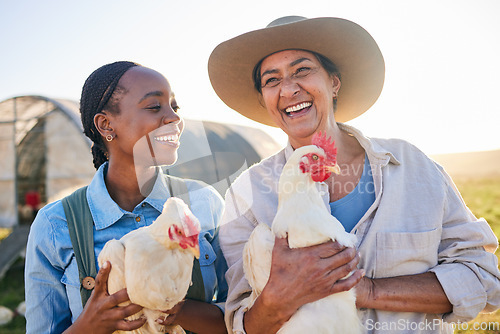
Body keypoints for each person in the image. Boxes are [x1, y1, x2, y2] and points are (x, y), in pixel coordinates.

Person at [207, 16, 500, 334]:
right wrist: (276, 300)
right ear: (264, 99)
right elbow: (239, 325)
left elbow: (484, 279)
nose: (289, 89)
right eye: (271, 80)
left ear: (334, 82)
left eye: (302, 70)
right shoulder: (246, 195)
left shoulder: (414, 168)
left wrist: (365, 291)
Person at [24, 61, 228, 334]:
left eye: (174, 107)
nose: (174, 118)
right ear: (106, 124)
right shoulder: (55, 225)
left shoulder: (205, 203)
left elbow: (244, 318)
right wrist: (88, 326)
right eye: (155, 107)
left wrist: (180, 310)